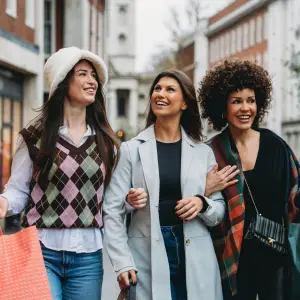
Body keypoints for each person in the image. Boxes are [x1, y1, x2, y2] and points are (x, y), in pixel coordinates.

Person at [0, 47, 120, 300]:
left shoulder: (106, 142)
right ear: (64, 82)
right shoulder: (34, 138)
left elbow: (110, 200)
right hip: (42, 252)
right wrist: (4, 202)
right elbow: (19, 189)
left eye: (94, 76)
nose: (92, 81)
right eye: (83, 74)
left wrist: (130, 199)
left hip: (88, 258)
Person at [103, 70, 225, 300]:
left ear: (185, 103)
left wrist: (202, 202)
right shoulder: (131, 150)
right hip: (145, 255)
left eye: (170, 89)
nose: (161, 93)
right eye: (157, 88)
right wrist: (121, 262)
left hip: (196, 256)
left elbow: (219, 210)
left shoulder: (202, 152)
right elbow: (112, 210)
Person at [198, 59, 300, 300]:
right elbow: (196, 202)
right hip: (231, 262)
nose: (245, 108)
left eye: (251, 101)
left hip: (276, 259)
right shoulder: (211, 151)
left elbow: (295, 198)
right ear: (222, 107)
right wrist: (205, 188)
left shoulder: (276, 146)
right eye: (237, 101)